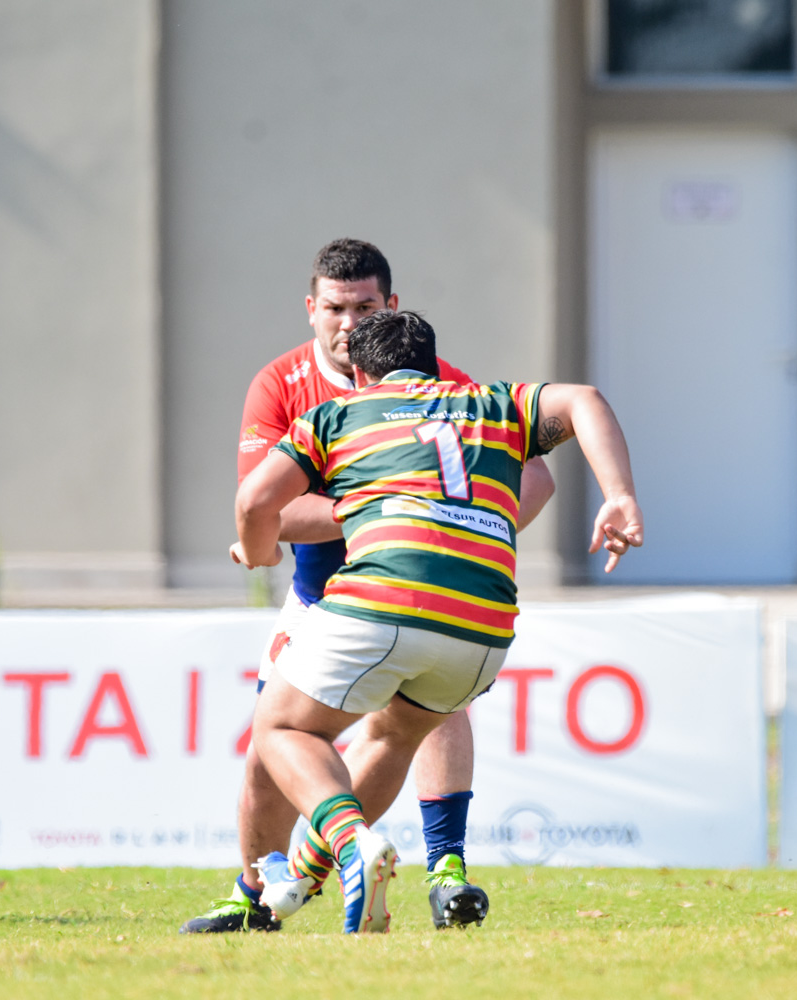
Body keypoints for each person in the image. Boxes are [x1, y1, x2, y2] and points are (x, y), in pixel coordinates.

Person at [181, 239, 555, 933]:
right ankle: (261, 892)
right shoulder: (282, 384)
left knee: (414, 724)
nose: (348, 324)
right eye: (334, 308)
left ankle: (441, 870)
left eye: (364, 308)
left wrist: (468, 530)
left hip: (408, 587)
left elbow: (534, 476)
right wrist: (387, 513)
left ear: (392, 305)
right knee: (276, 753)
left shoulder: (432, 375)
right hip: (325, 592)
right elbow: (270, 504)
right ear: (310, 309)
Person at [234, 308, 642, 932]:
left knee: (281, 730)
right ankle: (341, 868)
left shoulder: (338, 414)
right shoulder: (493, 404)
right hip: (482, 629)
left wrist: (259, 551)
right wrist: (618, 495)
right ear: (431, 362)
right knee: (398, 735)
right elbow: (584, 398)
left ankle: (351, 846)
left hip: (382, 599)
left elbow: (255, 499)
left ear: (363, 375)